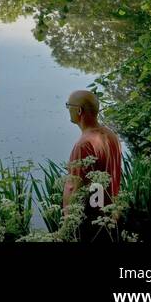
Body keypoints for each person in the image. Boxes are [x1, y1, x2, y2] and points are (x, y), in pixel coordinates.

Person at [62, 89, 123, 241]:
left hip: (89, 222)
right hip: (110, 216)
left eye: (68, 105)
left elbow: (76, 188)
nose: (68, 109)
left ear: (79, 110)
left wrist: (66, 226)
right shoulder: (111, 136)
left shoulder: (83, 145)